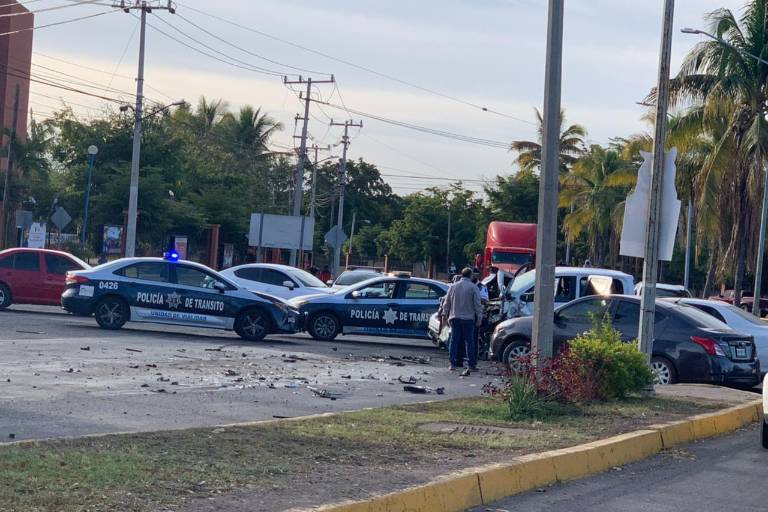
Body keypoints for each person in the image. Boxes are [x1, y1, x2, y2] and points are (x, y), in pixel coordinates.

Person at [440, 267, 483, 376]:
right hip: (468, 319)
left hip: (455, 317)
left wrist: (445, 315)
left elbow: (447, 302)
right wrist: (479, 317)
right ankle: (471, 365)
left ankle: (452, 364)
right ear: (470, 275)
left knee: (454, 341)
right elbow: (477, 305)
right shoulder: (474, 288)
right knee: (470, 342)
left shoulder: (453, 287)